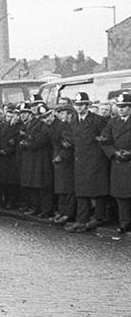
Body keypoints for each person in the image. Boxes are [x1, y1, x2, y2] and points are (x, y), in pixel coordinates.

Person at [64, 92, 111, 232]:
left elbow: (106, 138)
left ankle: (98, 217)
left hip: (96, 160)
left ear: (87, 105)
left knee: (98, 189)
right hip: (80, 161)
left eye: (81, 104)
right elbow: (72, 139)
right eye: (77, 105)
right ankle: (82, 219)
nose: (79, 107)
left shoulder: (97, 120)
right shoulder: (74, 122)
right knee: (81, 191)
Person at [99, 93, 131, 232]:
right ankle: (125, 222)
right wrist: (113, 152)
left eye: (124, 107)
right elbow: (104, 140)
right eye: (119, 106)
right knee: (121, 195)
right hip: (118, 162)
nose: (121, 109)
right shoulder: (113, 122)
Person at [17, 104, 54, 218]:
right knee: (33, 185)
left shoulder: (42, 125)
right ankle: (36, 207)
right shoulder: (28, 125)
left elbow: (41, 139)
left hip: (41, 159)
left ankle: (45, 209)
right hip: (31, 159)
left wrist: (27, 143)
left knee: (42, 185)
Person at [50, 104, 77, 225]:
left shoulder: (70, 125)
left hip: (66, 161)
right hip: (59, 159)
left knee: (68, 188)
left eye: (62, 113)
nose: (60, 115)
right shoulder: (62, 125)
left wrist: (61, 155)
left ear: (69, 114)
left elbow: (68, 143)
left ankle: (68, 213)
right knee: (61, 188)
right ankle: (62, 212)